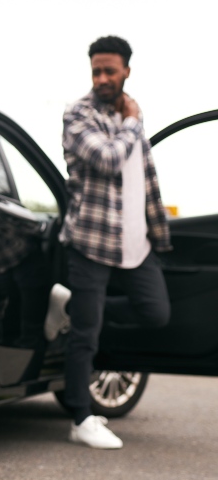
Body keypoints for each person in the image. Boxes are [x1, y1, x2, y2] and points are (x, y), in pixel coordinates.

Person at [57, 35, 171, 449]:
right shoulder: (79, 114)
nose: (103, 78)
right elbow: (106, 159)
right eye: (96, 71)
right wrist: (132, 124)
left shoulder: (129, 117)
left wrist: (159, 234)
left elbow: (145, 178)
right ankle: (80, 417)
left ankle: (74, 307)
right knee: (85, 334)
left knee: (157, 312)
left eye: (110, 70)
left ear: (126, 70)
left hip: (135, 244)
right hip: (90, 240)